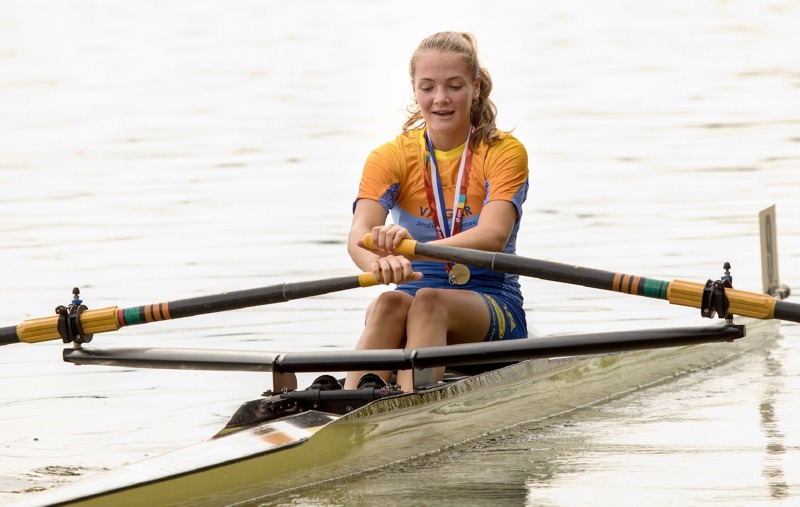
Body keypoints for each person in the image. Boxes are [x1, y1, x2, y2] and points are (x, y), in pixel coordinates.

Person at [344, 31, 529, 392]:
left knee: (429, 301)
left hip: (492, 303)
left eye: (454, 86)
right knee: (387, 302)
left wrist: (416, 249)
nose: (440, 99)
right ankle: (352, 402)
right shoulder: (390, 157)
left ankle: (411, 406)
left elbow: (493, 235)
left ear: (475, 87)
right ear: (414, 89)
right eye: (428, 87)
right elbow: (358, 235)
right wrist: (377, 263)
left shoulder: (503, 152)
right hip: (410, 300)